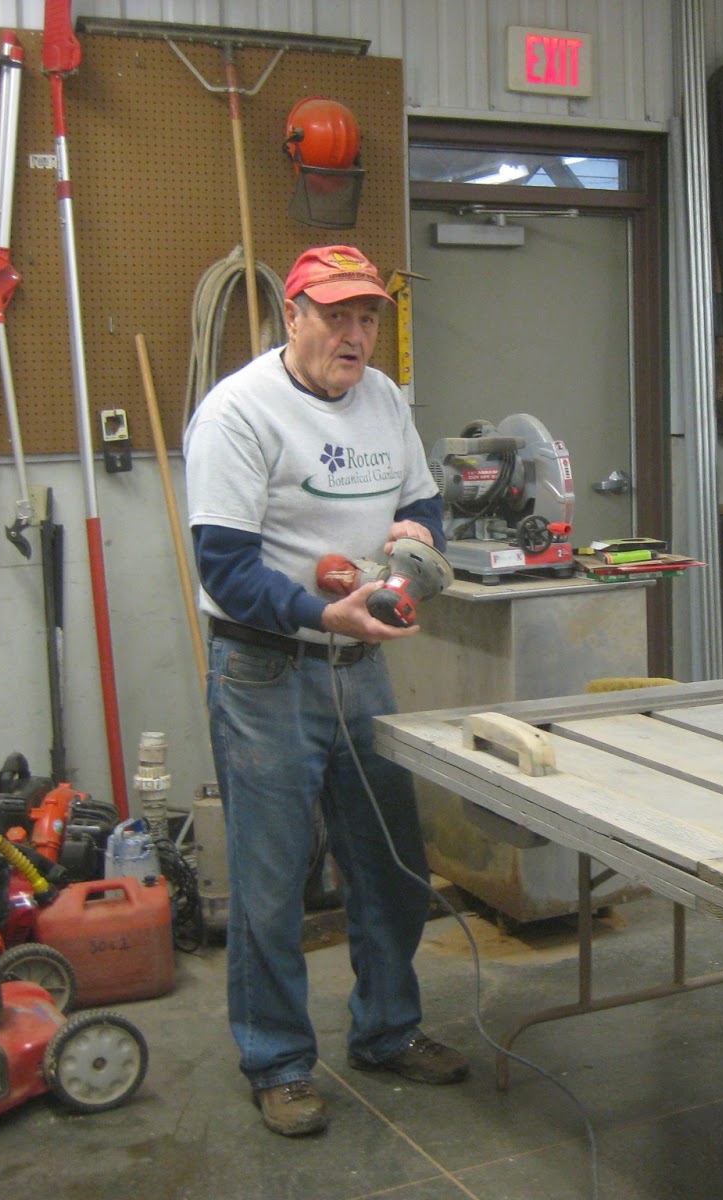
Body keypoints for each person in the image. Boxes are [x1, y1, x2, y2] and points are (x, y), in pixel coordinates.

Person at [183, 244, 467, 1138]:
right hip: (265, 668)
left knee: (390, 865)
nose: (354, 334)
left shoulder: (384, 399)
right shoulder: (238, 412)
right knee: (271, 885)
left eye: (367, 317)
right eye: (336, 315)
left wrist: (418, 537)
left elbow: (424, 502)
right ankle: (277, 1062)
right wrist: (320, 612)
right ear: (293, 316)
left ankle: (386, 1030)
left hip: (360, 667)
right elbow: (226, 568)